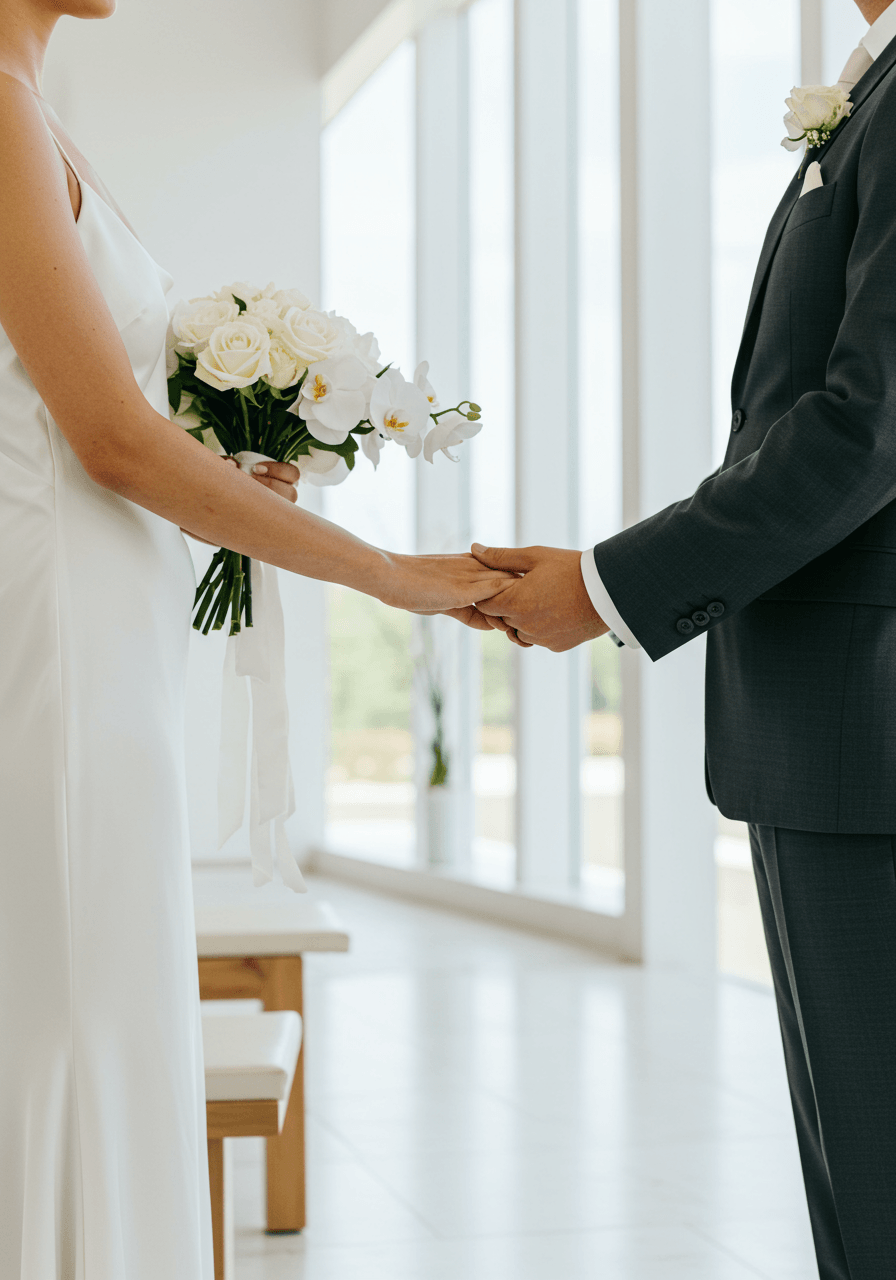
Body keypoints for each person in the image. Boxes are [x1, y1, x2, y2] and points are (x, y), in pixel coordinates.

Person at [0, 2, 514, 1273]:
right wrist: (386, 573)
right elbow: (108, 438)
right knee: (73, 994)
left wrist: (222, 463)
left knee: (108, 984)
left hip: (114, 624)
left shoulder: (38, 103)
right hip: (64, 625)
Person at [472, 0, 896, 1274]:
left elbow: (860, 429)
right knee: (854, 1168)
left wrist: (607, 584)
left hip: (864, 722)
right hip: (825, 719)